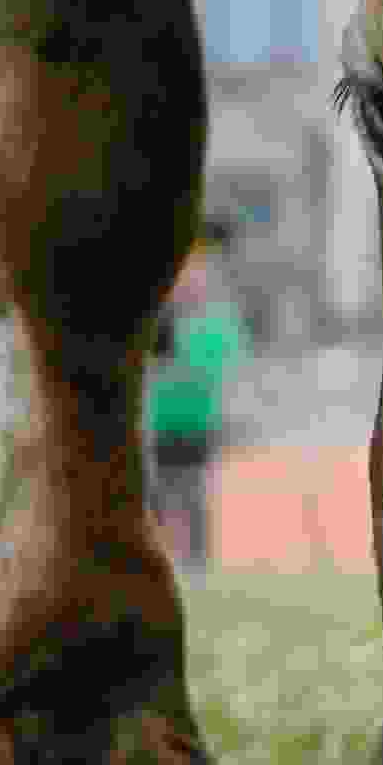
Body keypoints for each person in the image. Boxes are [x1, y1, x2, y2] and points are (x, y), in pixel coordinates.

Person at [143, 226, 248, 578]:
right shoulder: (161, 320)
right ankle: (167, 560)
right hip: (158, 425)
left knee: (188, 492)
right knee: (161, 494)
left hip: (196, 425)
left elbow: (226, 371)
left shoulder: (214, 321)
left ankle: (194, 563)